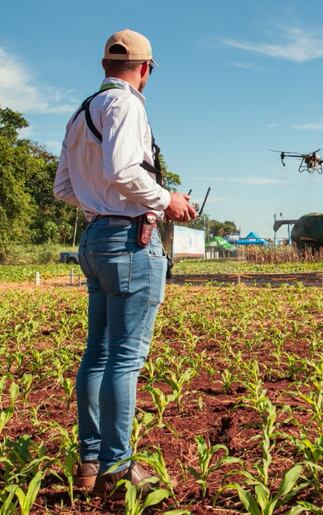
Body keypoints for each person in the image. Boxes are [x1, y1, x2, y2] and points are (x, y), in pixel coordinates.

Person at [53, 29, 196, 497]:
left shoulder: (80, 114)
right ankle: (118, 466)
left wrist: (99, 205)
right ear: (146, 69)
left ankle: (90, 462)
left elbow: (64, 189)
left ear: (104, 66)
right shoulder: (128, 104)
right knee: (125, 359)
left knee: (97, 353)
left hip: (95, 238)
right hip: (129, 239)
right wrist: (166, 199)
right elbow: (123, 170)